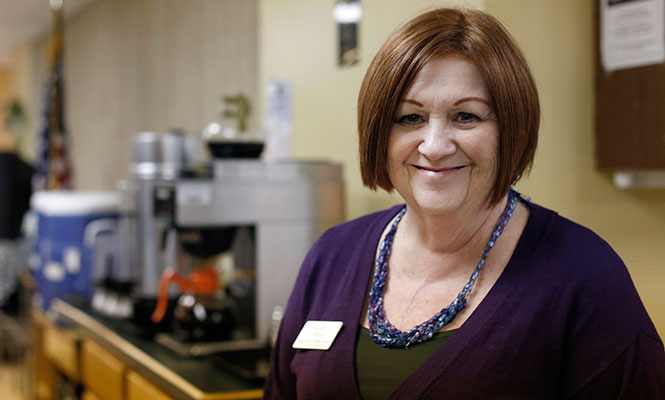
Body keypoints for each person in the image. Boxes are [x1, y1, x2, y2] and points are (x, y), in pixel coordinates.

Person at [263, 7, 665, 399]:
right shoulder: (331, 255)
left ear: (511, 127)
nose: (435, 147)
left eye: (466, 116)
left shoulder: (585, 276)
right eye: (410, 118)